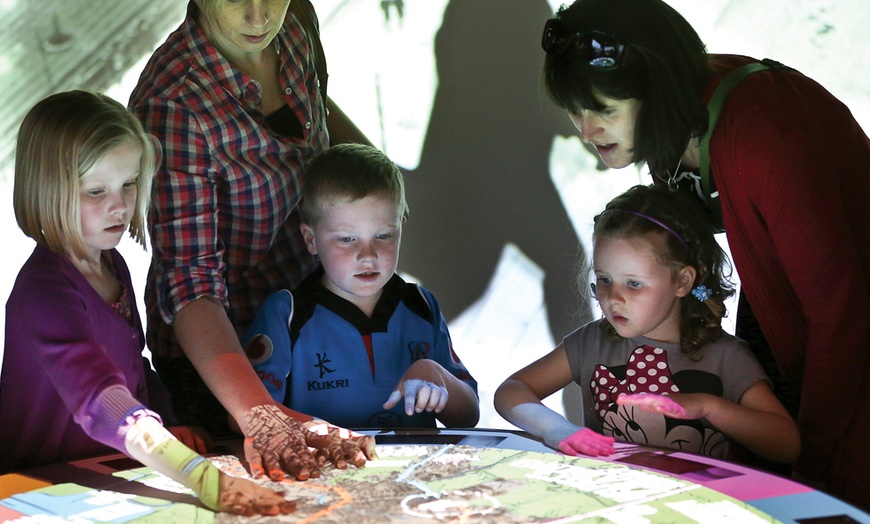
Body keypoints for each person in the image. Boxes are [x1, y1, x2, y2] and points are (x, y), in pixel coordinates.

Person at [537, 0, 870, 509]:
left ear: (657, 88)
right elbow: (684, 236)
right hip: (799, 305)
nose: (586, 131)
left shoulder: (767, 138)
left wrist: (813, 464)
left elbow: (842, 315)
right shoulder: (670, 119)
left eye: (603, 110)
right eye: (576, 110)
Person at [0, 90, 294, 516]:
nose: (119, 205)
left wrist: (166, 419)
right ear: (49, 190)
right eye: (96, 190)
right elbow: (102, 402)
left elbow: (131, 362)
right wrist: (200, 477)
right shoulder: (44, 293)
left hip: (107, 476)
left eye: (129, 183)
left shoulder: (113, 264)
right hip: (39, 493)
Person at [128, 0, 376, 481]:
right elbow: (191, 286)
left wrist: (372, 174)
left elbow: (315, 110)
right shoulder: (172, 105)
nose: (259, 17)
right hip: (226, 359)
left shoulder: (296, 22)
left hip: (310, 317)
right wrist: (259, 415)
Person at [495, 184, 800, 465]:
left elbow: (787, 444)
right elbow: (512, 390)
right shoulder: (591, 343)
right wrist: (556, 429)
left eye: (634, 284)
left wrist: (708, 406)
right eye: (604, 280)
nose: (614, 298)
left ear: (682, 281)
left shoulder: (726, 356)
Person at [242, 143, 480, 429]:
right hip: (324, 469)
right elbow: (246, 415)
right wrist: (322, 431)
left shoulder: (421, 305)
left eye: (383, 235)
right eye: (346, 239)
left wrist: (435, 374)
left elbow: (469, 416)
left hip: (412, 472)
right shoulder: (286, 314)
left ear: (401, 226)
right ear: (310, 239)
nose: (368, 255)